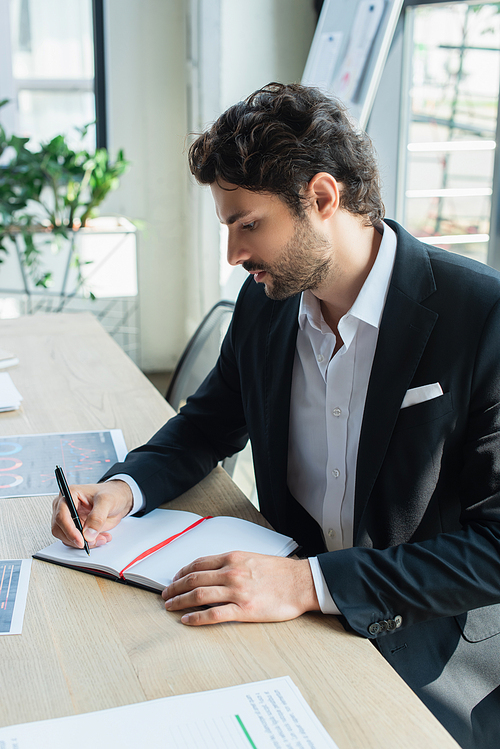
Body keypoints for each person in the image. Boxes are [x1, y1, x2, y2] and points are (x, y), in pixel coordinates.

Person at [51, 83, 500, 749]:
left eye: (247, 224)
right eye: (227, 227)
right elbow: (207, 422)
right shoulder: (266, 304)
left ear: (323, 198)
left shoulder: (481, 316)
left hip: (426, 655)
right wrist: (124, 488)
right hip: (286, 621)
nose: (233, 254)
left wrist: (308, 582)